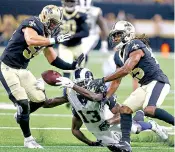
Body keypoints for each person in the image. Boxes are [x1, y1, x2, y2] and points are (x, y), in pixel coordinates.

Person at [0, 5, 84, 149]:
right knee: (23, 102)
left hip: (22, 70)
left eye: (55, 23)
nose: (53, 26)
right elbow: (30, 40)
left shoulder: (46, 36)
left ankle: (21, 115)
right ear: (45, 17)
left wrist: (73, 66)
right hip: (8, 68)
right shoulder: (33, 22)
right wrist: (53, 41)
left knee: (40, 100)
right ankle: (28, 140)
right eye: (52, 22)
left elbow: (53, 59)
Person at [88, 20, 174, 152]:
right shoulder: (118, 54)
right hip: (145, 85)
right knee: (124, 110)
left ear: (127, 34)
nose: (116, 38)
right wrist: (106, 97)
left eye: (118, 34)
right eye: (114, 35)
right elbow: (117, 80)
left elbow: (127, 69)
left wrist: (103, 80)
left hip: (158, 81)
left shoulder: (135, 44)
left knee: (149, 110)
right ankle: (125, 144)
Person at [43, 68, 168, 151]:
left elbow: (122, 115)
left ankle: (151, 125)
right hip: (100, 133)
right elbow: (74, 129)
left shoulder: (101, 92)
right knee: (118, 149)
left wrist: (109, 122)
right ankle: (140, 115)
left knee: (135, 128)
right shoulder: (72, 96)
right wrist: (41, 92)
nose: (82, 86)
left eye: (84, 83)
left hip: (113, 122)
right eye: (79, 83)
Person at [57, 0, 89, 79]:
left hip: (77, 46)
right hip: (64, 46)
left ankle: (79, 90)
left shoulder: (80, 15)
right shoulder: (58, 13)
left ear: (75, 3)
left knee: (80, 70)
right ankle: (65, 91)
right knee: (67, 68)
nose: (69, 3)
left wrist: (73, 36)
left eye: (71, 1)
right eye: (67, 1)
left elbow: (86, 32)